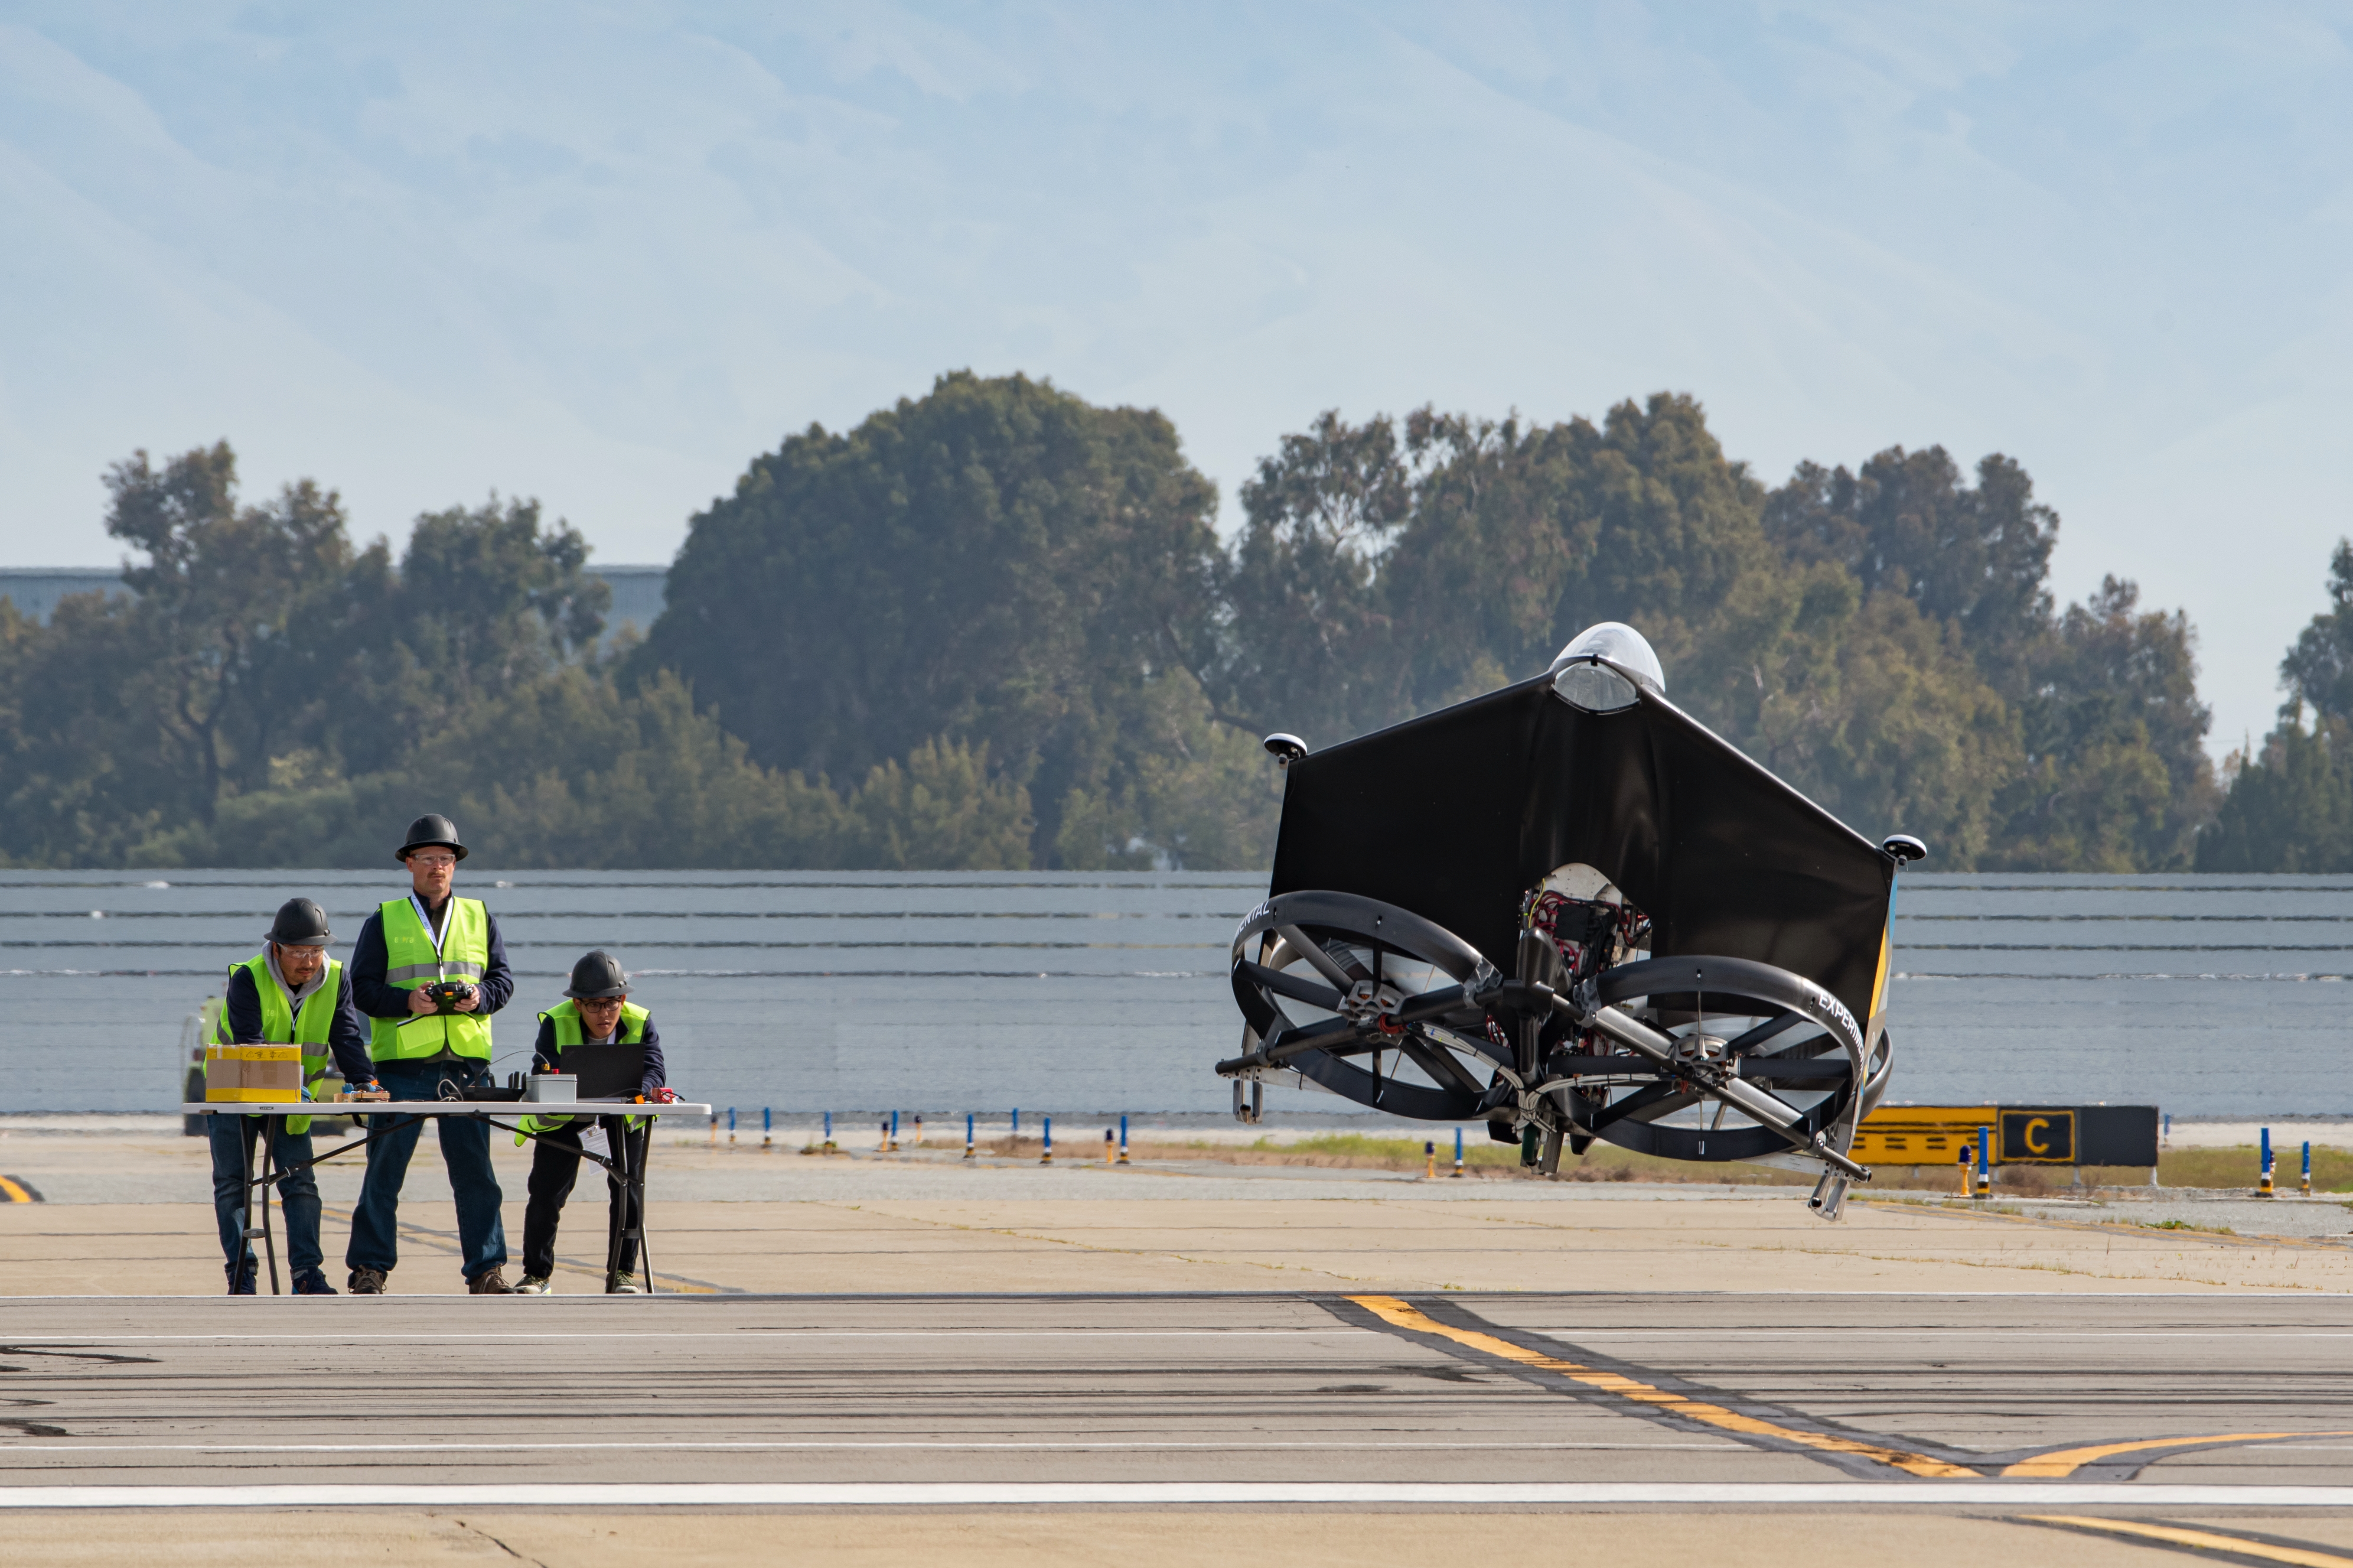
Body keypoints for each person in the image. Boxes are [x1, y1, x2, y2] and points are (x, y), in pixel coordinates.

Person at [344, 814, 516, 1295]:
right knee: (384, 1173)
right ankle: (369, 1269)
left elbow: (503, 983)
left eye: (445, 859)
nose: (437, 868)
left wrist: (480, 997)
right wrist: (407, 1001)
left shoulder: (481, 917)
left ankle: (486, 1270)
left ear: (455, 866)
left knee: (476, 1176)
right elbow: (359, 990)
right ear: (409, 864)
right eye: (428, 859)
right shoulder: (384, 919)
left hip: (466, 1067)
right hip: (403, 1066)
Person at [208, 898, 382, 1295]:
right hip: (233, 1094)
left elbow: (347, 1037)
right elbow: (251, 1044)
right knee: (233, 1184)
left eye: (317, 951)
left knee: (301, 1183)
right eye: (300, 952)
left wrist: (364, 1083)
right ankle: (241, 1274)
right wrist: (291, 1087)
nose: (309, 961)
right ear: (277, 949)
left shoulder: (337, 977)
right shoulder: (249, 977)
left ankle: (307, 1275)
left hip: (291, 1102)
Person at [514, 950, 669, 1295]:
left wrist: (637, 1092)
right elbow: (544, 1068)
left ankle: (622, 1274)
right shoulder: (555, 1022)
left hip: (623, 1116)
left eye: (612, 1004)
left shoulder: (642, 1022)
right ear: (579, 1005)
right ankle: (537, 1275)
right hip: (566, 1118)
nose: (605, 1014)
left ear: (623, 999)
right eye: (594, 1005)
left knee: (628, 1191)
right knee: (546, 1194)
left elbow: (655, 1069)